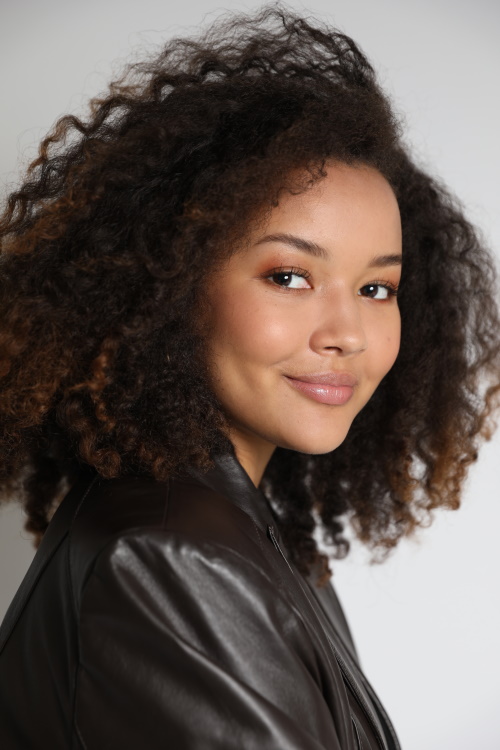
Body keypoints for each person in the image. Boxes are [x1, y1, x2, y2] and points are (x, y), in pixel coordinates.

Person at [0, 5, 499, 749]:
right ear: (172, 288)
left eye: (377, 288)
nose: (347, 334)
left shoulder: (244, 534)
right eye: (289, 276)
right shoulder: (176, 561)